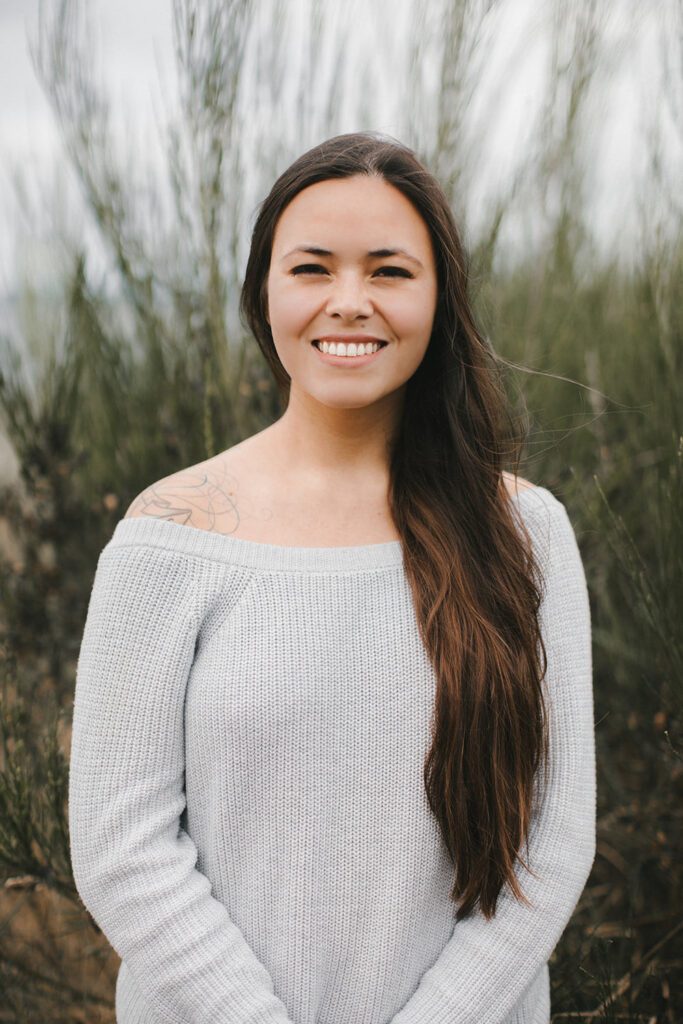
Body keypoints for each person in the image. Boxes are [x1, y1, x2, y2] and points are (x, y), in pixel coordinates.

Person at [68, 131, 595, 1024]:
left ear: (440, 297)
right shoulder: (169, 535)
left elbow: (552, 838)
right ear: (263, 290)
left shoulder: (524, 531)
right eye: (312, 268)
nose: (349, 303)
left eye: (389, 271)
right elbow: (122, 847)